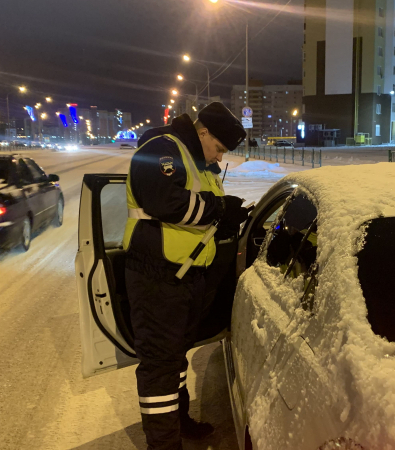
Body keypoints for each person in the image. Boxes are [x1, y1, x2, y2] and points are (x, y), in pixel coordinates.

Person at [123, 102, 249, 450]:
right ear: (203, 131)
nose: (219, 158)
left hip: (186, 277)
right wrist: (221, 209)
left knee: (176, 357)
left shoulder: (199, 162)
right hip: (157, 275)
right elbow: (167, 202)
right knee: (160, 364)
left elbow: (202, 210)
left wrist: (226, 212)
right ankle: (163, 444)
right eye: (219, 148)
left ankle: (178, 422)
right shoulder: (162, 149)